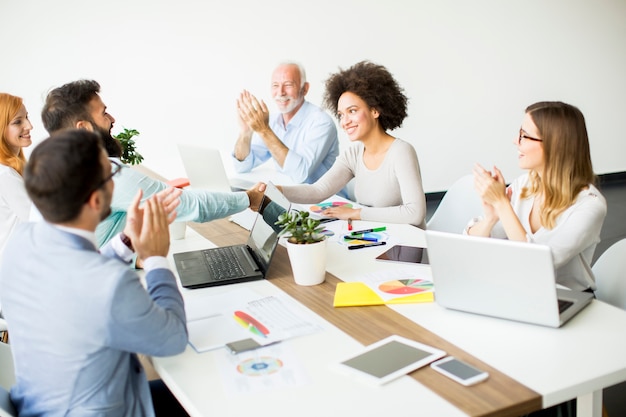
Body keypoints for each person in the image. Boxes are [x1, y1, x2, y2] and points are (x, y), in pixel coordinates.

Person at [0, 129, 188, 416]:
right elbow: (172, 338)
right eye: (111, 173)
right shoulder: (109, 284)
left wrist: (127, 241)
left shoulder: (21, 243)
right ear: (96, 200)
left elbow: (75, 280)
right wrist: (154, 259)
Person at [41, 79, 264, 247]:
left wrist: (130, 259)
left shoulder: (51, 172)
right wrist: (249, 198)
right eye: (104, 113)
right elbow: (191, 205)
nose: (112, 120)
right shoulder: (105, 175)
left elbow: (93, 242)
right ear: (84, 128)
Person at [256, 61, 426, 228]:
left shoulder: (401, 152)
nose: (345, 122)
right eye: (341, 114)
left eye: (352, 111)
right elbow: (318, 191)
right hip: (379, 235)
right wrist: (275, 190)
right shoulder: (353, 154)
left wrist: (357, 213)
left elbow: (415, 213)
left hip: (410, 245)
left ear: (375, 110)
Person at [468, 101, 607, 293]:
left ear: (554, 144)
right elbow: (470, 244)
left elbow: (535, 265)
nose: (515, 141)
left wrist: (502, 204)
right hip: (521, 290)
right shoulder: (524, 185)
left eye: (524, 136)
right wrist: (491, 219)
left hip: (565, 298)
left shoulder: (590, 206)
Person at [232, 61, 340, 186]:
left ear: (305, 89)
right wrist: (246, 132)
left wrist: (264, 130)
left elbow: (300, 174)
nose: (280, 92)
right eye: (275, 85)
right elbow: (242, 166)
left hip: (328, 202)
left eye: (288, 85)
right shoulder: (272, 122)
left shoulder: (321, 123)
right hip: (293, 197)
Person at [0, 93, 33, 263]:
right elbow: (39, 221)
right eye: (17, 121)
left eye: (26, 117)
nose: (29, 126)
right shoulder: (5, 175)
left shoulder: (12, 171)